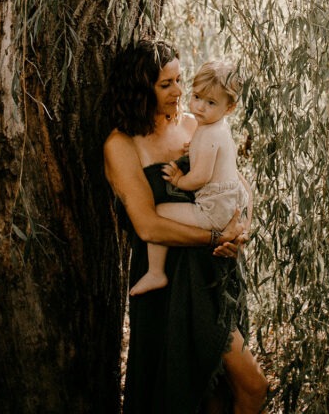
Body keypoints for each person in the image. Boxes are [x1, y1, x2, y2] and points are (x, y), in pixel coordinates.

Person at [103, 40, 268, 414]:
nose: (179, 91)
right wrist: (214, 235)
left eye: (179, 80)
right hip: (167, 283)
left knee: (220, 395)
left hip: (212, 276)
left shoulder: (196, 124)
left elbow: (236, 185)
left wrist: (240, 232)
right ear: (139, 87)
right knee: (226, 388)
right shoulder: (121, 145)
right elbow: (147, 227)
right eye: (166, 84)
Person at [130, 59, 250, 295]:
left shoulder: (207, 133)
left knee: (161, 212)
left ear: (229, 108)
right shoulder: (218, 128)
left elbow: (201, 177)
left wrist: (178, 180)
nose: (200, 107)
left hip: (214, 210)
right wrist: (193, 150)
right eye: (196, 97)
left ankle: (156, 272)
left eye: (211, 102)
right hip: (231, 203)